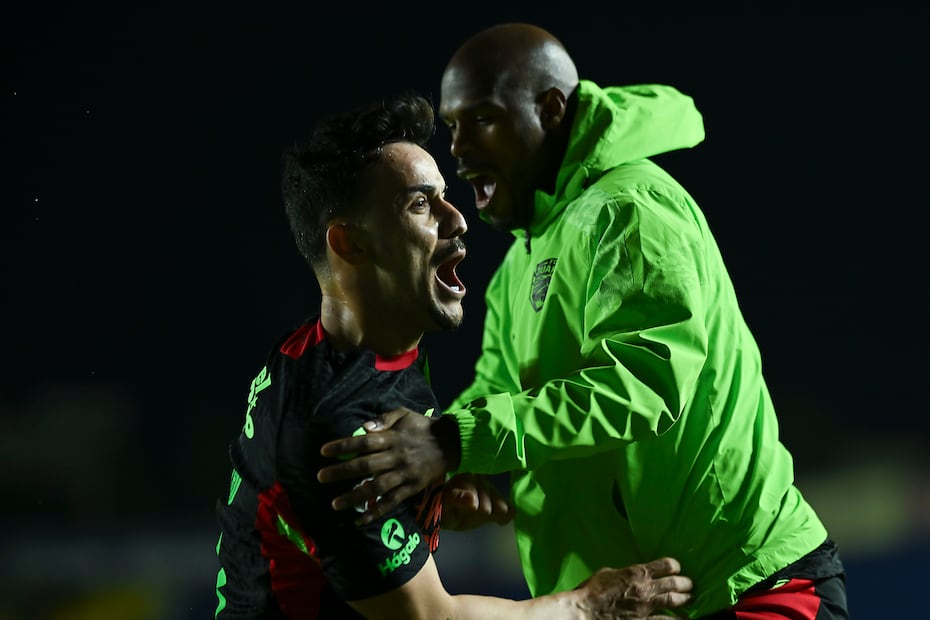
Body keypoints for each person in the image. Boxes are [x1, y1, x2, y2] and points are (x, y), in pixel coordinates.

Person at [316, 23, 849, 619]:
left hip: (748, 584)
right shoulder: (523, 257)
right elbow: (498, 392)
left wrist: (453, 442)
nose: (460, 149)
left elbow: (643, 387)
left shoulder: (628, 210)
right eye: (454, 126)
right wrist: (468, 468)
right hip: (645, 604)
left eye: (482, 119)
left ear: (549, 110)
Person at [212, 93, 694, 619]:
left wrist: (430, 503)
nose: (458, 219)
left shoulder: (351, 351)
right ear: (349, 245)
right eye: (420, 204)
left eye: (445, 196)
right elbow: (434, 617)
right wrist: (589, 606)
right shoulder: (339, 431)